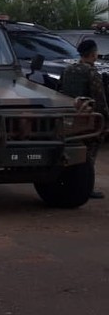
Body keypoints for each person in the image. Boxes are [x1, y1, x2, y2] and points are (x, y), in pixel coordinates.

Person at [59, 38, 108, 199]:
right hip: (88, 117)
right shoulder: (92, 72)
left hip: (70, 117)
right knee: (89, 154)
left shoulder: (68, 69)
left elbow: (60, 91)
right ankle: (86, 186)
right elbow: (99, 99)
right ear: (93, 54)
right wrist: (105, 120)